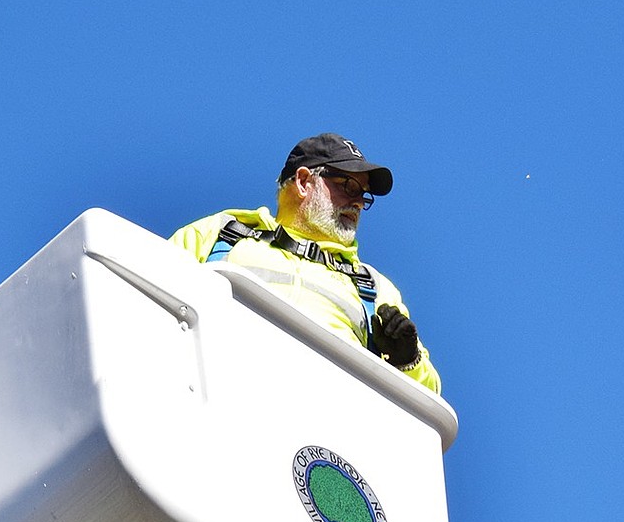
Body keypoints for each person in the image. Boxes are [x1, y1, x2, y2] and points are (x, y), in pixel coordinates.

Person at [168, 133, 441, 393]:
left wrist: (407, 360)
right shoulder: (221, 234)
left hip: (323, 427)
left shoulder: (371, 285)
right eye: (348, 186)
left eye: (364, 195)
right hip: (214, 392)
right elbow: (147, 287)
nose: (358, 202)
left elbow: (428, 403)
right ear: (303, 181)